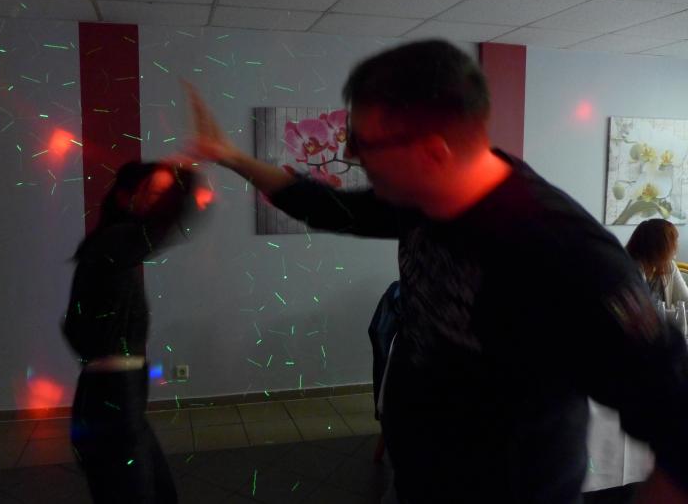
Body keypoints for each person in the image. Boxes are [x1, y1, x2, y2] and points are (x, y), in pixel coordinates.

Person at [182, 40, 688, 503]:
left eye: (364, 142)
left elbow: (671, 398)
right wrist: (231, 157)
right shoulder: (424, 196)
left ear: (433, 153)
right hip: (423, 472)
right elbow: (330, 207)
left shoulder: (562, 250)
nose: (350, 154)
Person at [63, 160, 210, 504]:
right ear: (125, 197)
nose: (164, 202)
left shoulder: (113, 246)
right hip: (111, 402)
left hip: (118, 400)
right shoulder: (114, 243)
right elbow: (165, 226)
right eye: (157, 193)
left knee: (158, 494)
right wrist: (190, 179)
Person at [626, 218, 688, 308]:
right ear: (660, 246)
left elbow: (685, 301)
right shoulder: (628, 270)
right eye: (673, 241)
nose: (676, 246)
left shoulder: (669, 266)